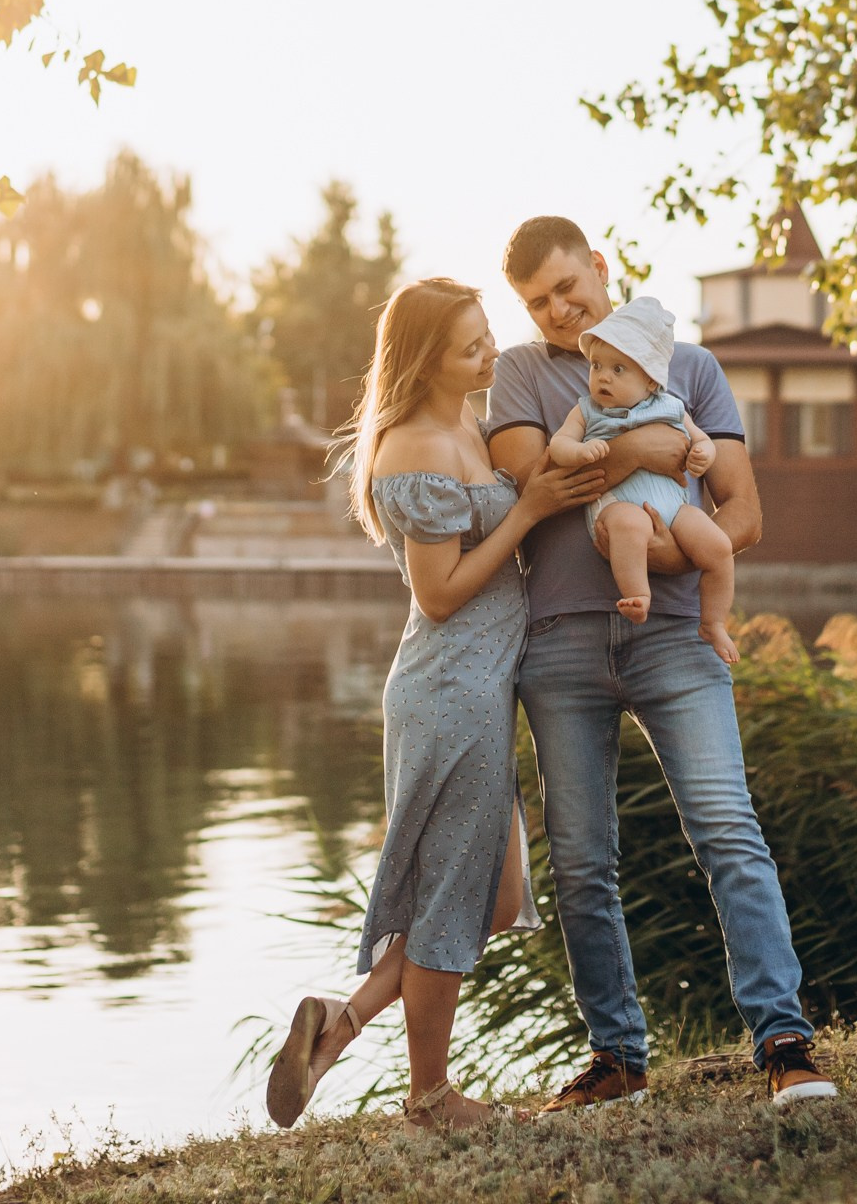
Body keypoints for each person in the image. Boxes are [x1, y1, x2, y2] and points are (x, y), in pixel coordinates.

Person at [487, 217, 838, 1111]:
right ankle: (618, 1060)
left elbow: (742, 513)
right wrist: (639, 453)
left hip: (676, 634)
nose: (558, 311)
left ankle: (784, 1041)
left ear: (600, 267)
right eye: (537, 301)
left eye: (568, 288)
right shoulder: (520, 374)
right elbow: (536, 487)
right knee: (581, 861)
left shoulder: (694, 368)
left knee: (728, 830)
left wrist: (667, 554)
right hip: (560, 642)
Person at [262, 277, 605, 1132]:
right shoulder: (417, 446)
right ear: (424, 362)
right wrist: (528, 510)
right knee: (455, 900)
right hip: (452, 691)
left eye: (488, 335)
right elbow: (441, 594)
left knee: (495, 900)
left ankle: (338, 1025)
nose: (491, 353)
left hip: (480, 689)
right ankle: (430, 1098)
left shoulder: (467, 425)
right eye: (470, 347)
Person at [543, 296, 739, 664]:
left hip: (675, 508)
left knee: (718, 546)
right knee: (630, 526)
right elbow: (559, 445)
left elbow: (702, 441)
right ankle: (638, 595)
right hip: (617, 505)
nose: (602, 376)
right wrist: (579, 452)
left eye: (618, 369)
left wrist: (702, 454)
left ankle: (713, 622)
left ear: (650, 380)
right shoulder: (587, 410)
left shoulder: (672, 407)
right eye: (597, 365)